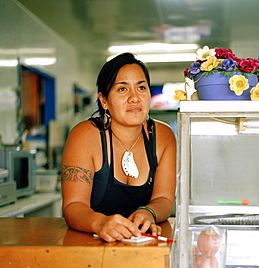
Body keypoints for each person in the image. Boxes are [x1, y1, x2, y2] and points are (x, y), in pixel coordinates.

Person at [61, 53, 176, 242]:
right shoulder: (85, 136)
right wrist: (100, 223)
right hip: (90, 249)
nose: (134, 98)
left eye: (141, 87)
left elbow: (164, 199)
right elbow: (73, 205)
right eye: (122, 89)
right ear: (104, 100)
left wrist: (148, 212)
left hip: (143, 248)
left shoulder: (163, 136)